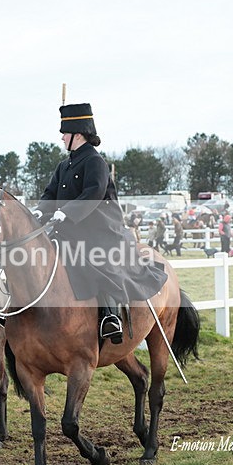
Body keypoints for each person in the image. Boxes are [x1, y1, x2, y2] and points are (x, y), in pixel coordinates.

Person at [34, 103, 167, 344]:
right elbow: (50, 193)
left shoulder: (95, 162)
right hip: (68, 230)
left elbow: (94, 193)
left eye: (65, 133)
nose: (62, 138)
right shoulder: (64, 165)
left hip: (99, 230)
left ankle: (110, 315)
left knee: (98, 262)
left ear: (78, 134)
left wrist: (66, 212)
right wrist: (39, 211)